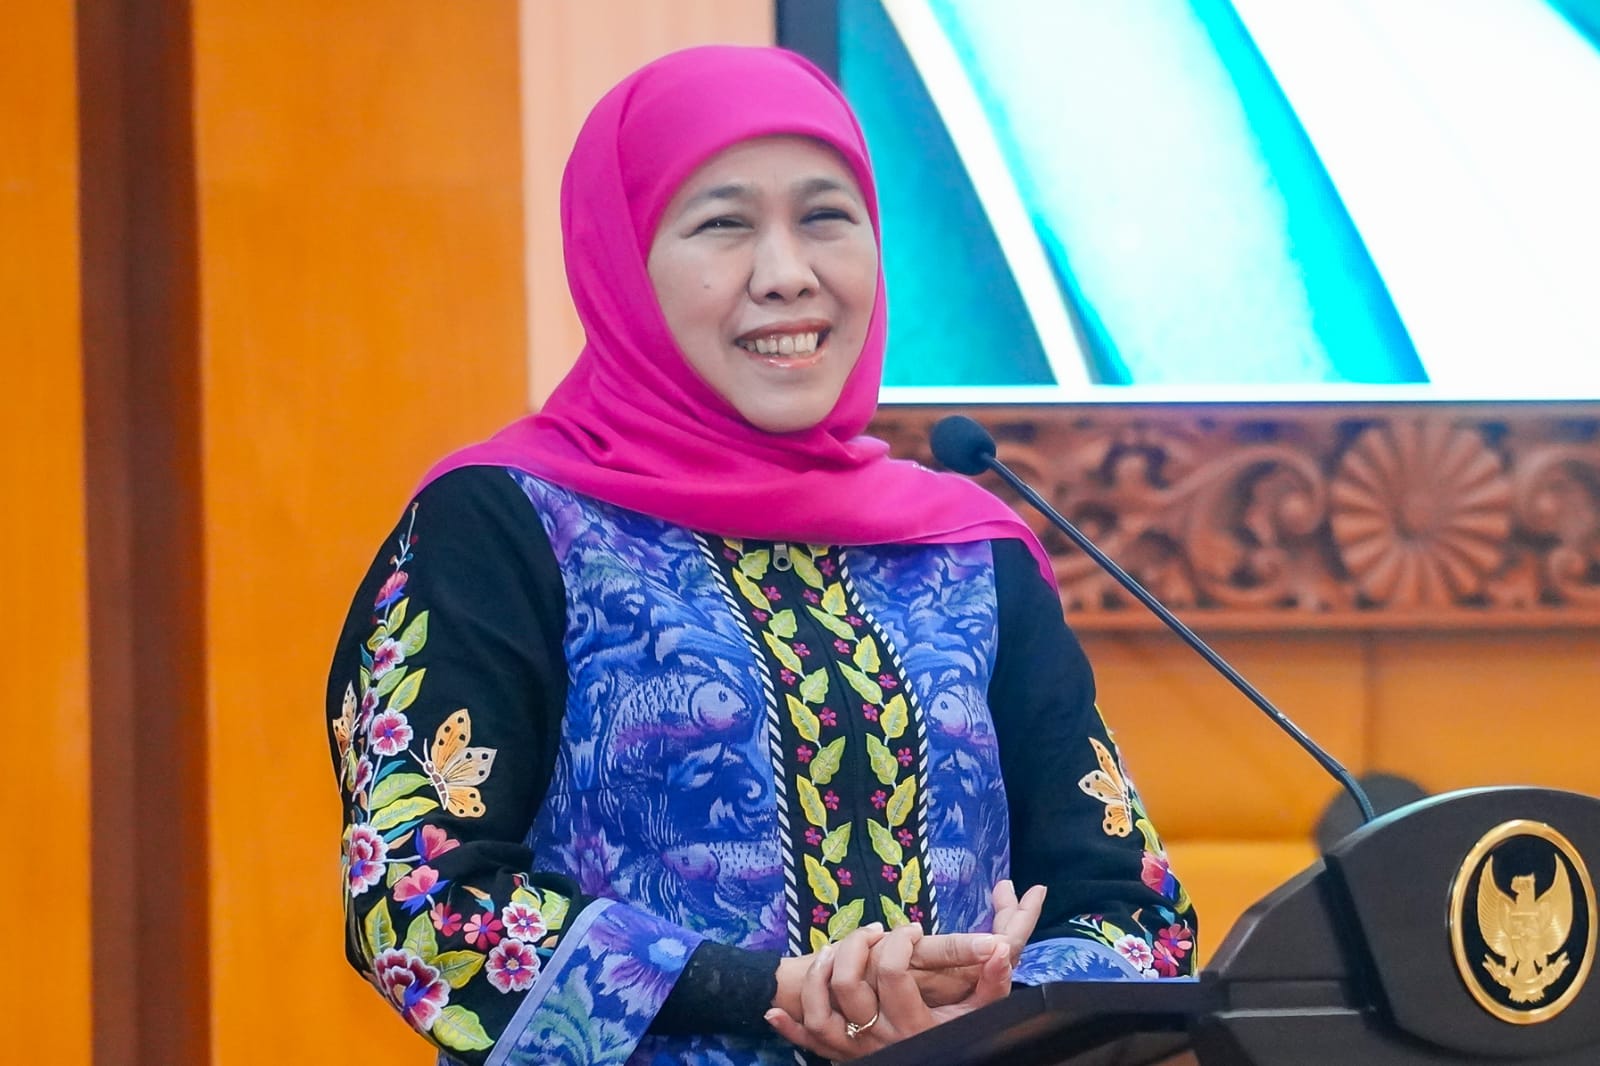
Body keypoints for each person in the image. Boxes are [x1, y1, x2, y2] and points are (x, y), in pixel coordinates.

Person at [326, 44, 1196, 1066]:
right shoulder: (505, 523)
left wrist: (992, 1007)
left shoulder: (968, 550)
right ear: (622, 260)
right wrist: (779, 994)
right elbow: (419, 906)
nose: (788, 275)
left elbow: (1139, 921)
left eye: (826, 217)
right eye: (724, 224)